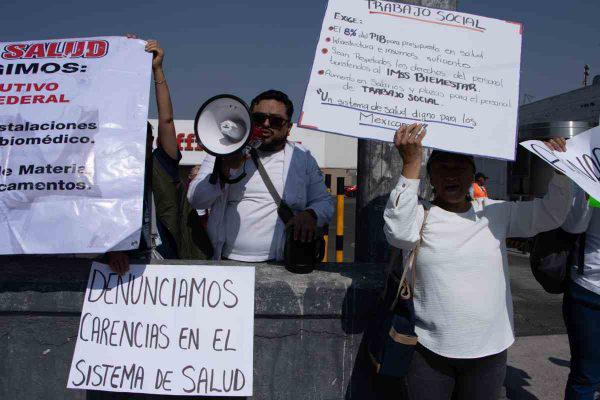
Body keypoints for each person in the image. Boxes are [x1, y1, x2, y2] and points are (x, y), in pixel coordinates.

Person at [383, 123, 572, 400]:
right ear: (430, 176)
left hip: (489, 351)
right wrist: (411, 163)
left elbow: (551, 214)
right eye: (442, 167)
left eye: (459, 166)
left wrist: (561, 173)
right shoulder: (419, 215)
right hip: (428, 350)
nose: (451, 174)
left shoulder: (495, 212)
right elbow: (397, 232)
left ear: (473, 174)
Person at [187, 90, 333, 262]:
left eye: (276, 121)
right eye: (259, 118)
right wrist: (224, 169)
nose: (266, 123)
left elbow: (325, 202)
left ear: (288, 127)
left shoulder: (302, 158)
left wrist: (311, 214)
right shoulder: (224, 151)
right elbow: (196, 200)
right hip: (228, 261)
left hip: (281, 262)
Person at [106, 37, 212, 274]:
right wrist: (113, 250)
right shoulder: (112, 173)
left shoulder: (162, 164)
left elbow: (166, 119)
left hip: (173, 259)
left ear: (151, 142)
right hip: (129, 265)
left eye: (141, 139)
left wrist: (157, 70)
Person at [561, 186, 600, 400]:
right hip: (590, 291)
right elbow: (573, 225)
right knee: (586, 376)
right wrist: (587, 188)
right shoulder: (592, 171)